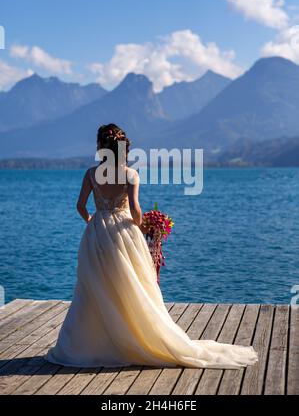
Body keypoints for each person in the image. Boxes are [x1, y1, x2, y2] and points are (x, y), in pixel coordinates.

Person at [45, 123, 258, 369]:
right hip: (123, 233)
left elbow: (80, 206)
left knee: (93, 287)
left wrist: (92, 220)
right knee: (132, 284)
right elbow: (135, 210)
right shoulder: (130, 174)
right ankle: (135, 336)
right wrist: (143, 226)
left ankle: (90, 344)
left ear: (101, 147)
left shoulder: (91, 174)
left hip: (97, 234)